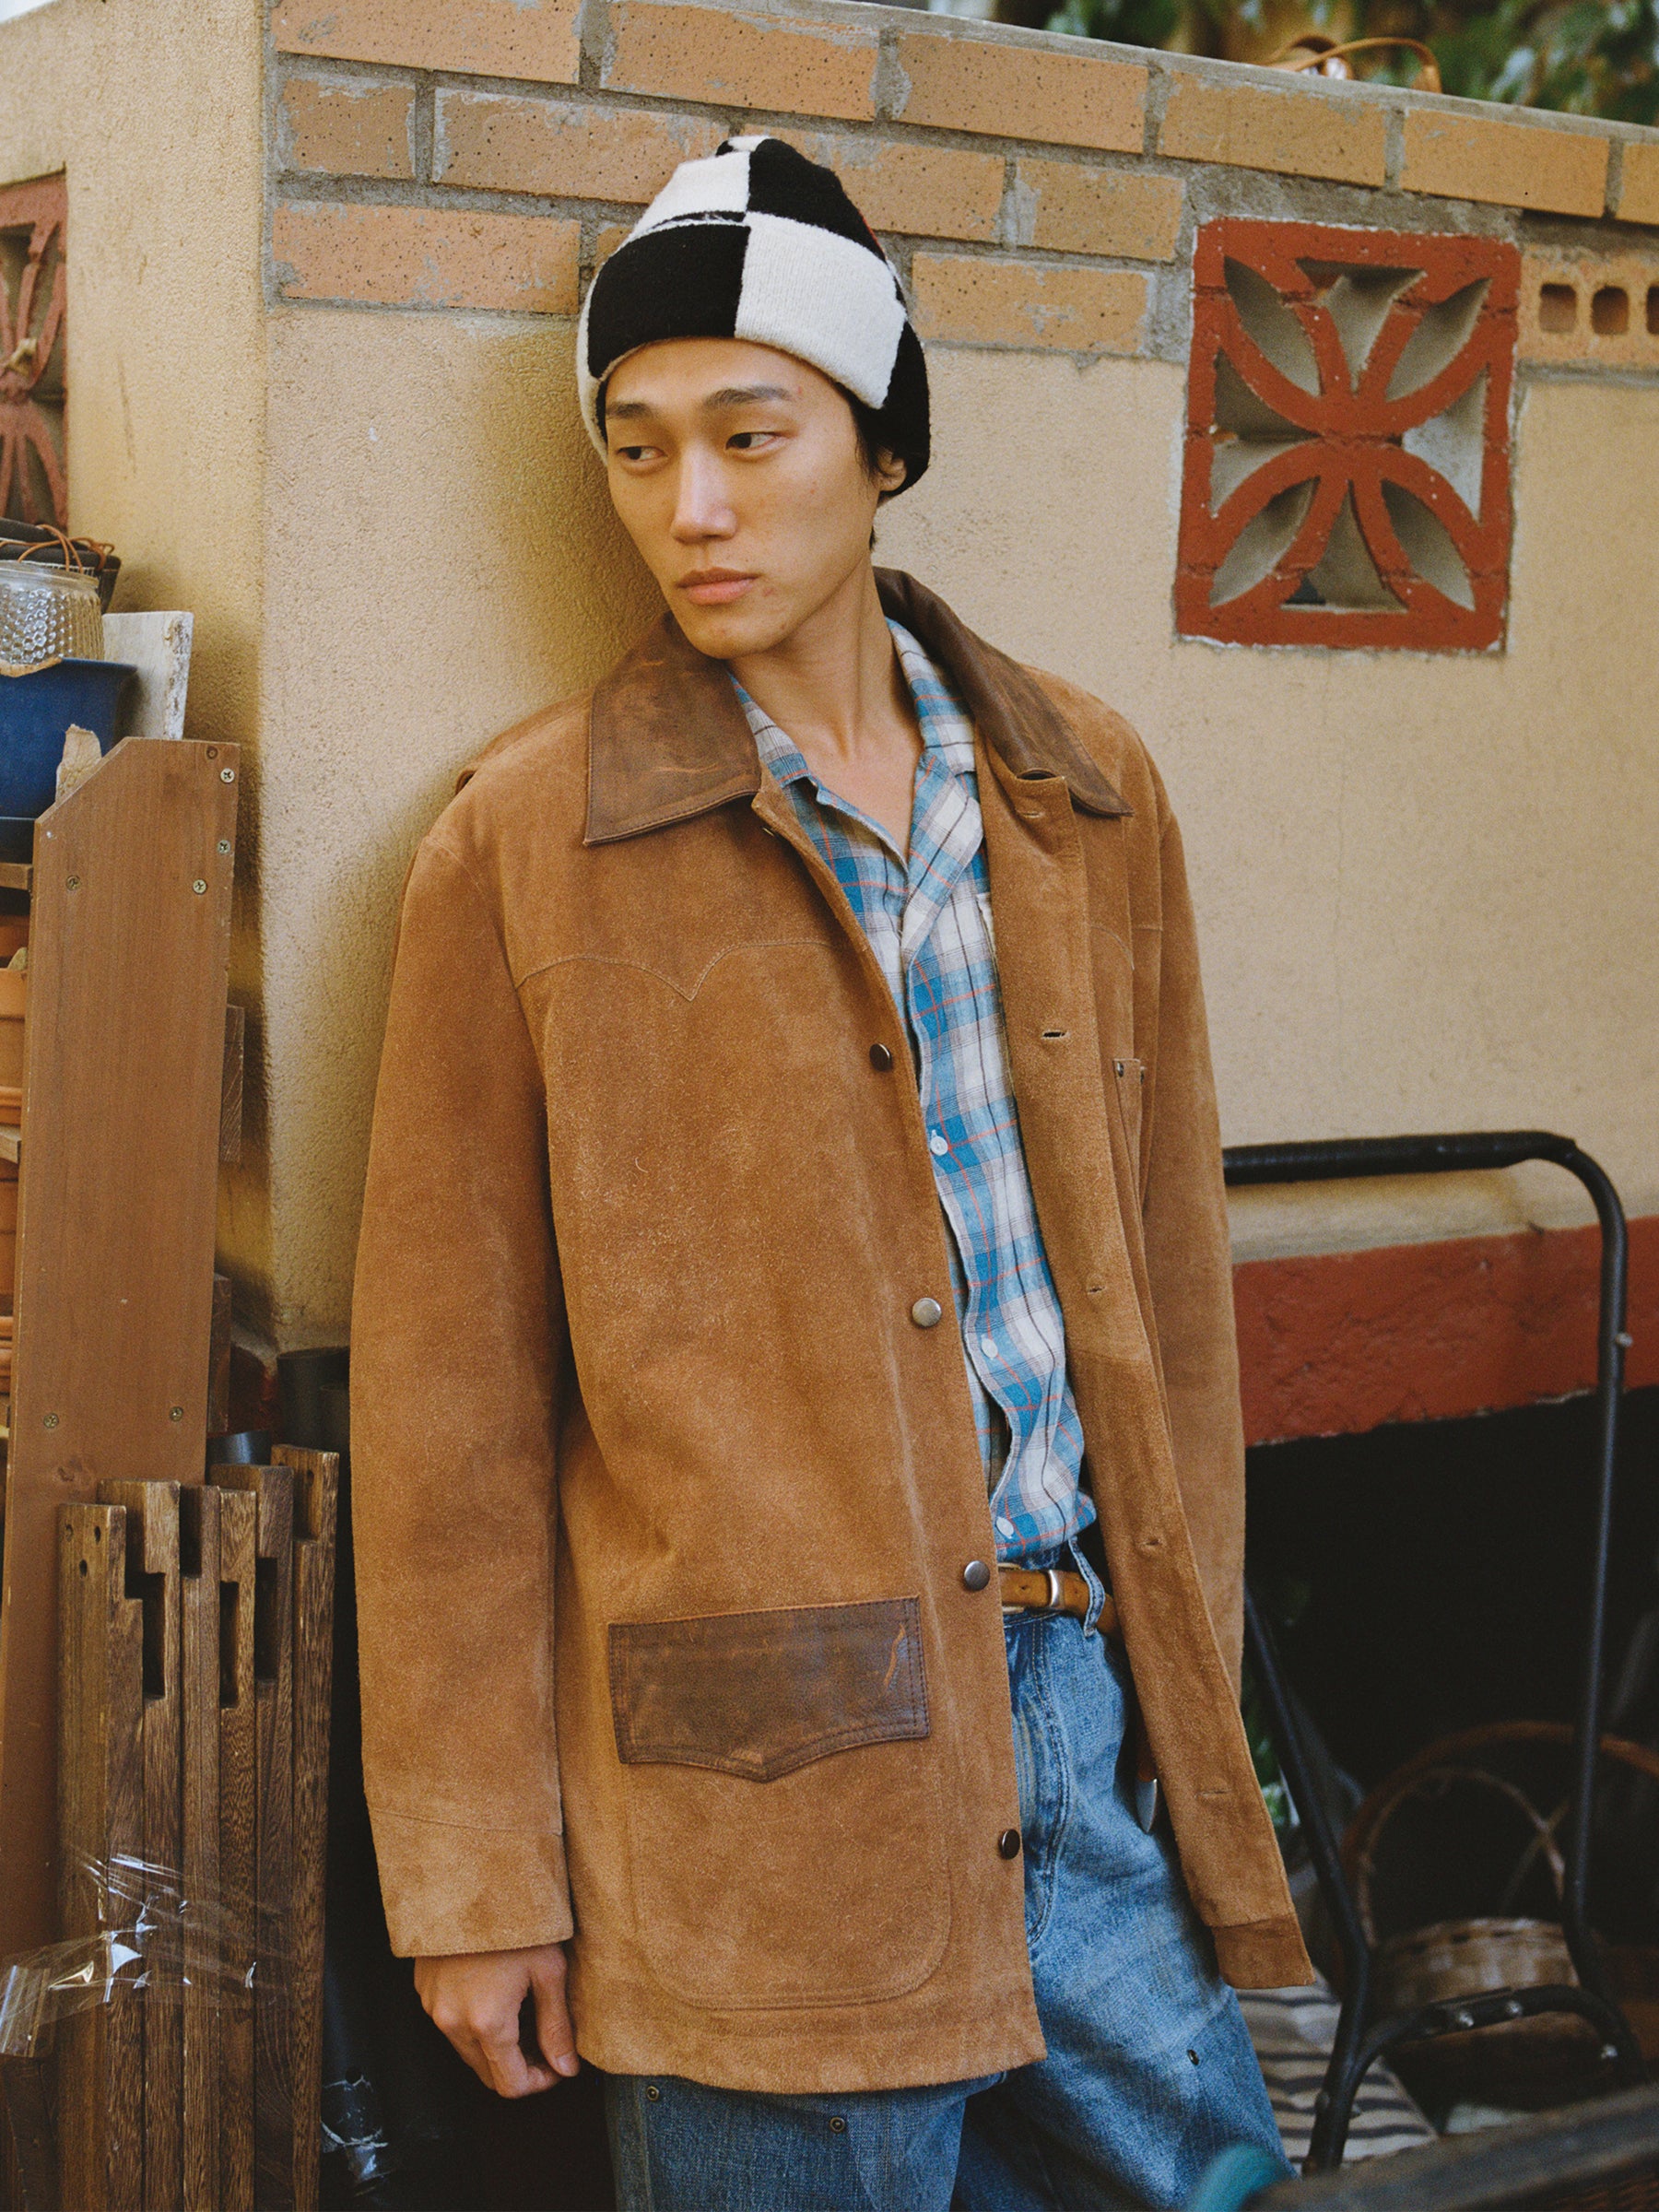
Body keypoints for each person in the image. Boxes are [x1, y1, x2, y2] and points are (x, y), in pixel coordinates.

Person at [351, 135, 1310, 2212]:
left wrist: (1188, 1703)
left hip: (1091, 1746)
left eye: (748, 433)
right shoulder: (520, 852)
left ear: (879, 445)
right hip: (754, 1815)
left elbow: (1168, 1300)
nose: (686, 509)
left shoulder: (1089, 799)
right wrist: (474, 1880)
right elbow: (448, 1427)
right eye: (633, 447)